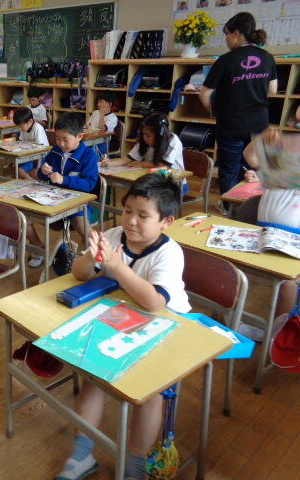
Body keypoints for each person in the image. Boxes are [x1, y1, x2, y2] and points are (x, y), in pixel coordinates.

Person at [57, 173, 190, 480]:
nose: (131, 221)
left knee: (149, 393)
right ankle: (81, 455)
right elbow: (79, 274)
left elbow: (154, 302)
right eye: (128, 210)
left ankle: (134, 466)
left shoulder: (169, 253)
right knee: (94, 376)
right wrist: (91, 257)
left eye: (143, 215)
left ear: (166, 222)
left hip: (168, 327)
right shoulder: (116, 235)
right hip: (123, 319)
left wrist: (117, 267)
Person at [199, 12, 276, 213]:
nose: (226, 39)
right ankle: (251, 210)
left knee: (229, 169)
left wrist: (215, 112)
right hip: (259, 122)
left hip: (231, 123)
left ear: (237, 33)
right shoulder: (267, 57)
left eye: (226, 34)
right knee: (255, 168)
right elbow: (273, 90)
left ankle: (229, 208)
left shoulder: (226, 60)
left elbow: (204, 94)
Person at [27, 112, 98, 268]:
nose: (60, 143)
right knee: (23, 219)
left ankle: (96, 260)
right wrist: (43, 171)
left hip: (78, 204)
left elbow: (89, 184)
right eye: (58, 138)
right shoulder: (55, 151)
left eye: (65, 139)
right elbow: (43, 174)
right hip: (53, 200)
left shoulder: (89, 156)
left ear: (79, 137)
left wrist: (64, 180)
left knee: (82, 227)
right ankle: (39, 248)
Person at [242, 128, 298, 319]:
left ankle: (279, 325)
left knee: (287, 283)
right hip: (262, 231)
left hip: (292, 236)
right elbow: (249, 156)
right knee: (238, 272)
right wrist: (261, 140)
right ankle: (241, 318)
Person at [13, 107, 48, 180]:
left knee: (22, 170)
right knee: (16, 168)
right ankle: (30, 182)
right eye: (18, 126)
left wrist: (38, 167)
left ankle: (33, 183)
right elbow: (21, 143)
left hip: (42, 157)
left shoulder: (38, 128)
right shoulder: (23, 129)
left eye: (21, 125)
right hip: (30, 157)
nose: (20, 128)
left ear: (30, 121)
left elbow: (41, 150)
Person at [86, 91, 118, 156]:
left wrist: (102, 114)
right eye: (98, 102)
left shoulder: (113, 118)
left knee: (87, 153)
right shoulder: (95, 112)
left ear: (109, 104)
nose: (98, 104)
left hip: (102, 142)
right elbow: (88, 126)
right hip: (90, 138)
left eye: (101, 102)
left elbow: (102, 130)